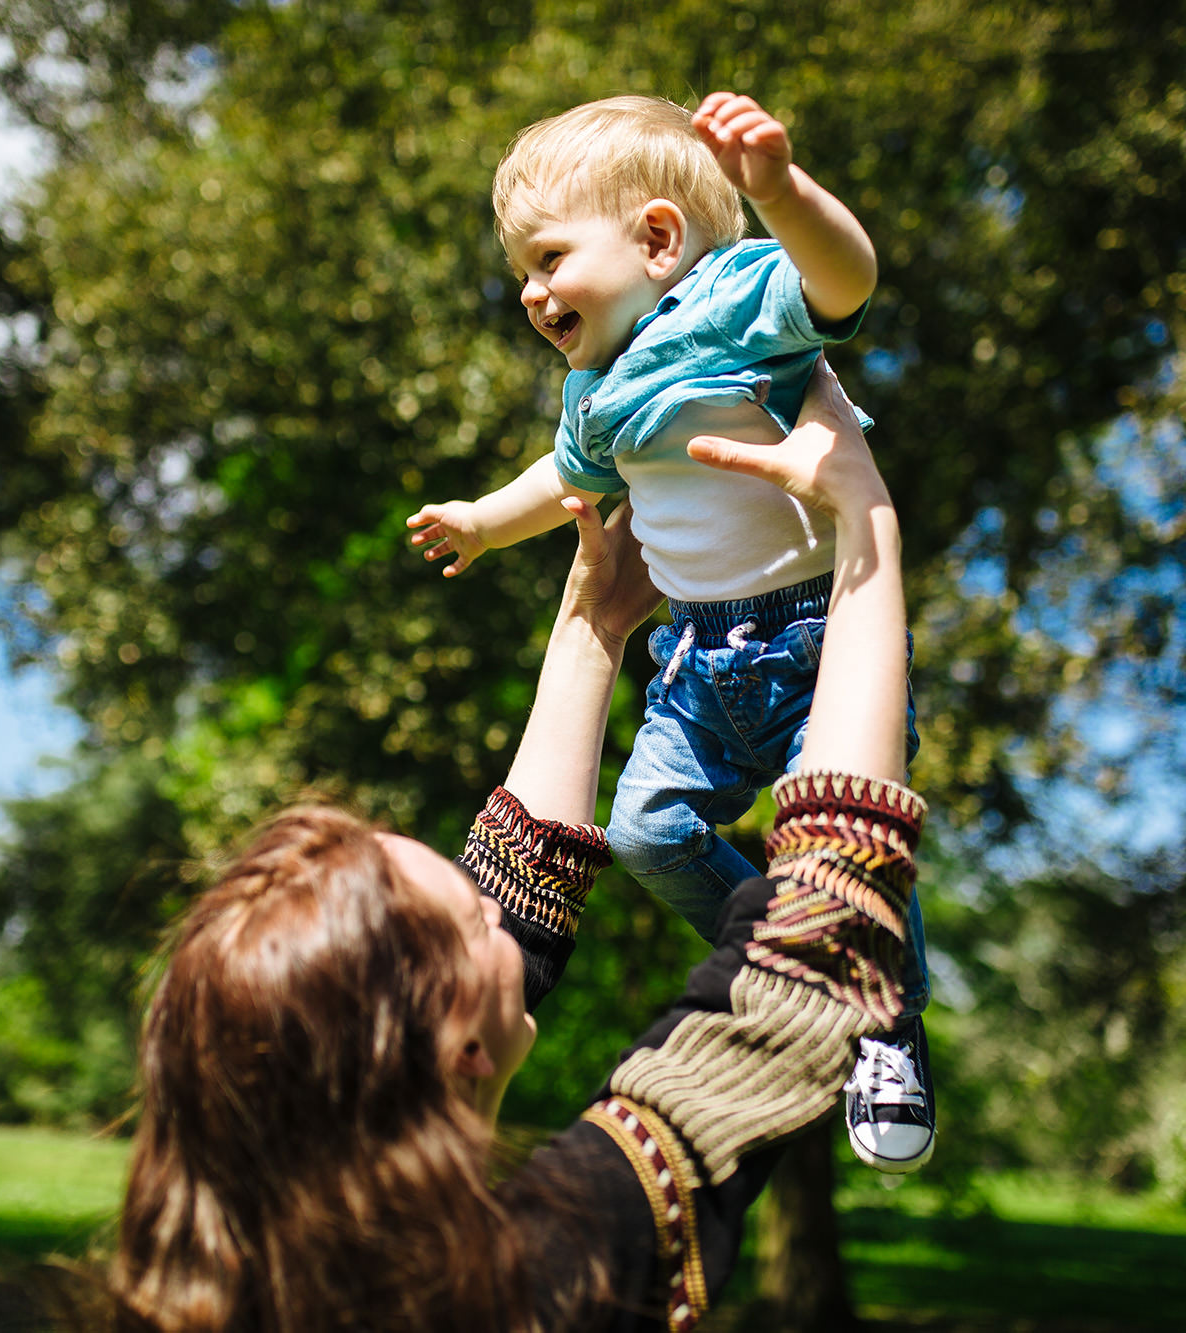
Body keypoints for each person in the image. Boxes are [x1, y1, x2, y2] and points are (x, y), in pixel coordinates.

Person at [109, 359, 929, 1331]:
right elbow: (811, 954)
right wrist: (862, 521)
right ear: (453, 1046)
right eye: (473, 923)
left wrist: (592, 619)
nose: (500, 905)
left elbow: (517, 891)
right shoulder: (542, 1272)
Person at [405, 91, 933, 1171]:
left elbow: (845, 284)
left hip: (810, 641)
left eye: (548, 256)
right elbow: (563, 478)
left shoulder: (735, 300)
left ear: (655, 239)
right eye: (522, 268)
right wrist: (480, 524)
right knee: (644, 834)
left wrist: (779, 192)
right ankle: (796, 951)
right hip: (692, 658)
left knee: (840, 844)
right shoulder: (592, 392)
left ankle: (878, 1010)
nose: (529, 288)